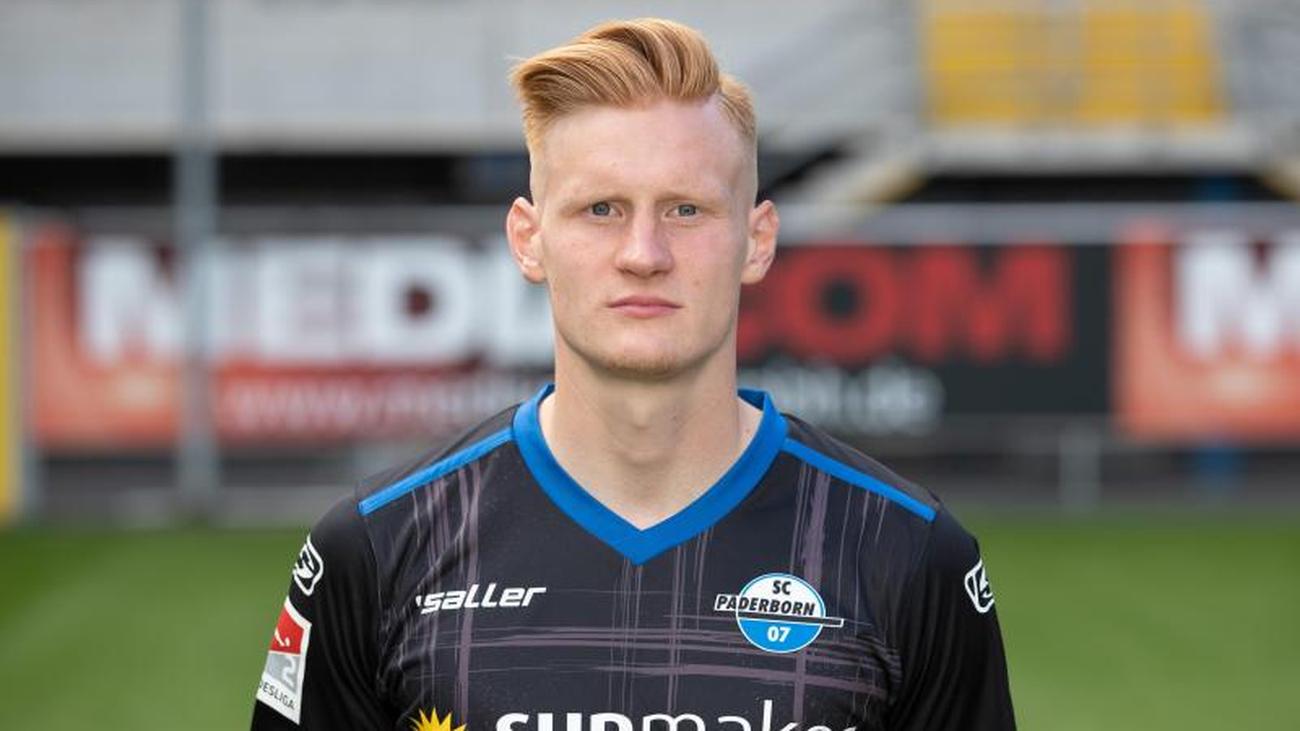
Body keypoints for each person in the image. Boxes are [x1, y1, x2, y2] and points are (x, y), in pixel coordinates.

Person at [251, 17, 1016, 730]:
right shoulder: (378, 549)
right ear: (528, 238)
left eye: (685, 210)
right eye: (601, 209)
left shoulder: (905, 553)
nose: (644, 253)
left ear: (757, 240)